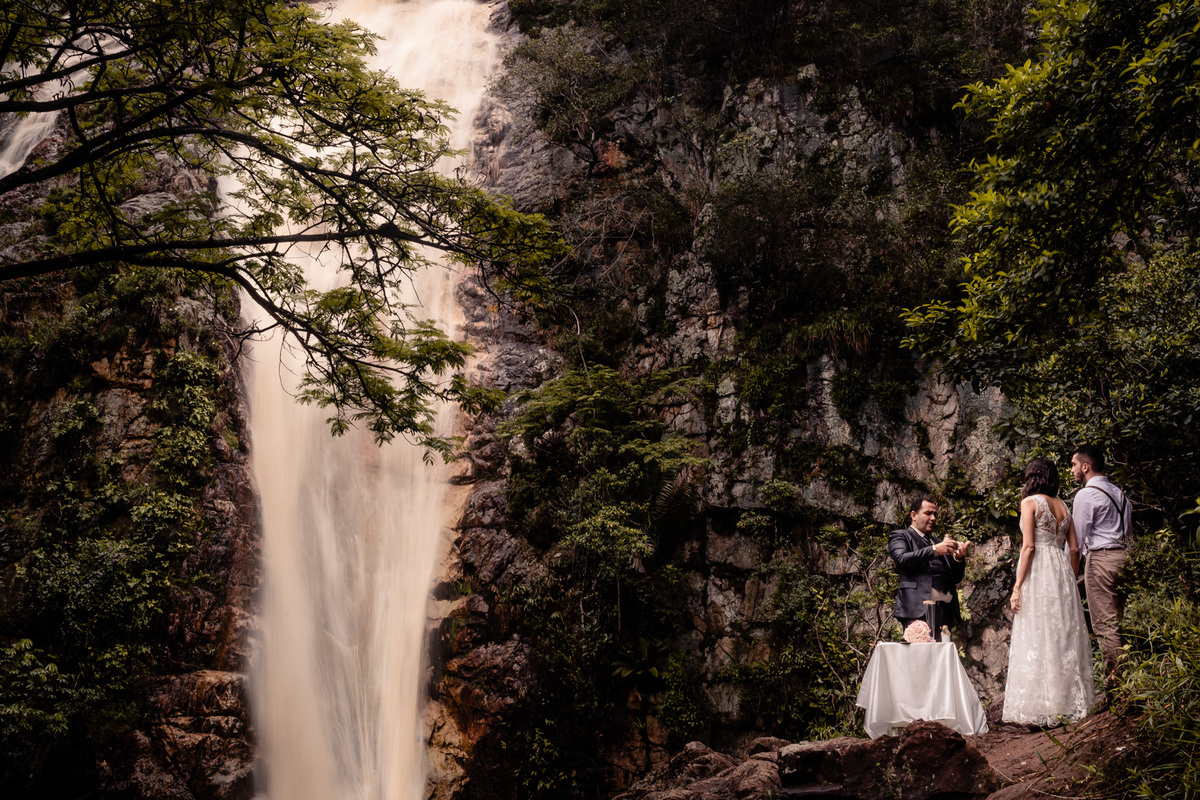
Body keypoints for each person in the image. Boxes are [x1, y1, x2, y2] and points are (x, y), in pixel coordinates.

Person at [1002, 457, 1095, 725]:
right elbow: (1074, 550)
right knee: (1063, 635)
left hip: (1039, 571)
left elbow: (1029, 547)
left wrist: (1017, 586)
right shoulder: (1064, 506)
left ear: (1032, 477)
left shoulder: (1029, 502)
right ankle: (1067, 703)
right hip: (1061, 572)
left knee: (1036, 633)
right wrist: (1070, 578)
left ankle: (1040, 708)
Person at [1071, 444, 1132, 688]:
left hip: (1101, 560)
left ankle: (1117, 686)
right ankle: (1130, 678)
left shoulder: (1086, 495)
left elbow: (1076, 540)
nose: (1072, 470)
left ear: (1085, 466)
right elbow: (1129, 534)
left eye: (1074, 465)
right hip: (1125, 559)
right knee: (1118, 621)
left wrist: (1068, 572)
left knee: (1106, 626)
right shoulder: (1120, 494)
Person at [889, 497, 968, 641]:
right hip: (916, 610)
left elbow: (955, 578)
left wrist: (958, 559)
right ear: (914, 515)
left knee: (942, 652)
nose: (933, 518)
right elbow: (901, 559)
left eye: (935, 514)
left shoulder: (938, 542)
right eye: (928, 513)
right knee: (920, 653)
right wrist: (934, 550)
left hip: (944, 612)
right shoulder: (900, 536)